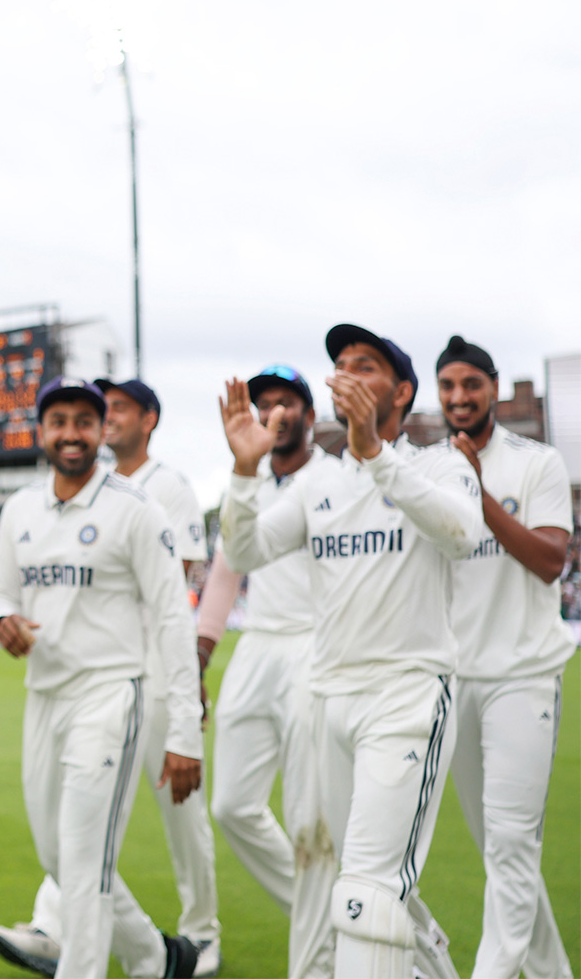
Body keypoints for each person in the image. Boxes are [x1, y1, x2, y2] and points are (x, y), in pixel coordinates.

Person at [219, 324, 478, 978]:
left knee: (366, 894)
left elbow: (461, 535)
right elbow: (245, 553)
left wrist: (376, 456)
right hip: (329, 701)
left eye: (366, 365)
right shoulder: (316, 486)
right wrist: (245, 471)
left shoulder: (439, 464)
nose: (348, 374)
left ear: (404, 391)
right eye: (340, 364)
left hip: (407, 694)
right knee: (364, 887)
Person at [0, 377, 221, 977]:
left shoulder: (136, 508)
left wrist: (184, 732)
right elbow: (1, 593)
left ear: (100, 430)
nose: (71, 433)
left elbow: (174, 617)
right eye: (59, 421)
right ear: (41, 431)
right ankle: (154, 958)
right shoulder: (19, 508)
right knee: (58, 855)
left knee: (85, 857)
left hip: (112, 695)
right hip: (43, 696)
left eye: (84, 421)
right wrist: (1, 621)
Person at [436, 335, 575, 979]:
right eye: (448, 386)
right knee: (502, 851)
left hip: (523, 677)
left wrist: (478, 491)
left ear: (492, 388)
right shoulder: (426, 469)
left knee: (513, 843)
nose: (460, 397)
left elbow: (550, 562)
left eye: (471, 384)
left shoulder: (536, 462)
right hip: (457, 677)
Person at [195, 365, 337, 977]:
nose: (275, 414)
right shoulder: (246, 478)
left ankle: (325, 949)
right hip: (257, 644)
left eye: (286, 403)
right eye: (264, 406)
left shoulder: (336, 478)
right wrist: (197, 659)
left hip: (316, 646)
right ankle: (332, 920)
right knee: (230, 805)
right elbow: (228, 570)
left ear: (309, 413)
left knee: (311, 819)